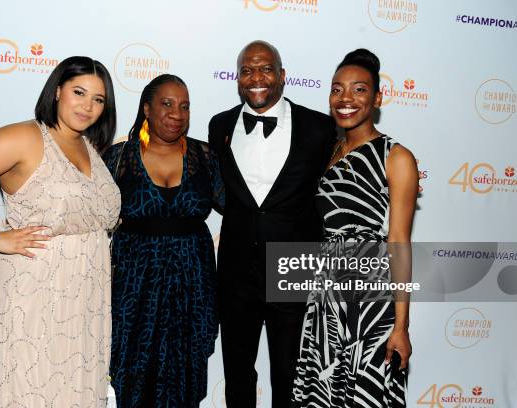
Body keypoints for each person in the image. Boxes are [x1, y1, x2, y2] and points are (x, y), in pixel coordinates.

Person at [0, 56, 121, 407]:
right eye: (79, 92)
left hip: (84, 299)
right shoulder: (24, 137)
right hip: (35, 291)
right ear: (58, 89)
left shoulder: (89, 147)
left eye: (98, 99)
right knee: (27, 388)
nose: (88, 106)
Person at [207, 41, 336, 408]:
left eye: (265, 69)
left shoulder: (320, 128)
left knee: (291, 375)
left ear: (282, 74)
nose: (256, 78)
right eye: (247, 70)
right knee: (238, 374)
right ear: (237, 79)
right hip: (236, 274)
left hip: (294, 269)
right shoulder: (220, 126)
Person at [291, 48, 417, 407]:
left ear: (378, 98)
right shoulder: (327, 152)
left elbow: (399, 243)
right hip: (325, 292)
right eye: (337, 89)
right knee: (325, 391)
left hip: (369, 295)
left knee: (364, 393)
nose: (346, 99)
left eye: (359, 90)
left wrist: (401, 326)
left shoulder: (396, 156)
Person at [104, 74, 224, 408]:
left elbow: (240, 209)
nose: (177, 114)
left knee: (185, 369)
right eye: (167, 104)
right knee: (132, 367)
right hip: (134, 282)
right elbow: (93, 218)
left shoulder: (205, 157)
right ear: (147, 108)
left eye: (184, 106)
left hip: (192, 282)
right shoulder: (118, 158)